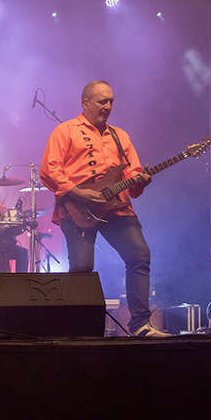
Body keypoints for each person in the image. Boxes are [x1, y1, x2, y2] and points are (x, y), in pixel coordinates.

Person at [40, 80, 169, 337]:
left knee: (139, 255)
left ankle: (140, 325)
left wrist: (140, 180)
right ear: (85, 103)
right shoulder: (65, 131)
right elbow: (49, 170)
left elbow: (132, 175)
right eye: (102, 101)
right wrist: (77, 191)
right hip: (78, 209)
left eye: (111, 101)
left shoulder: (121, 136)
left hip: (117, 208)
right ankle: (80, 330)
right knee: (82, 267)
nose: (108, 106)